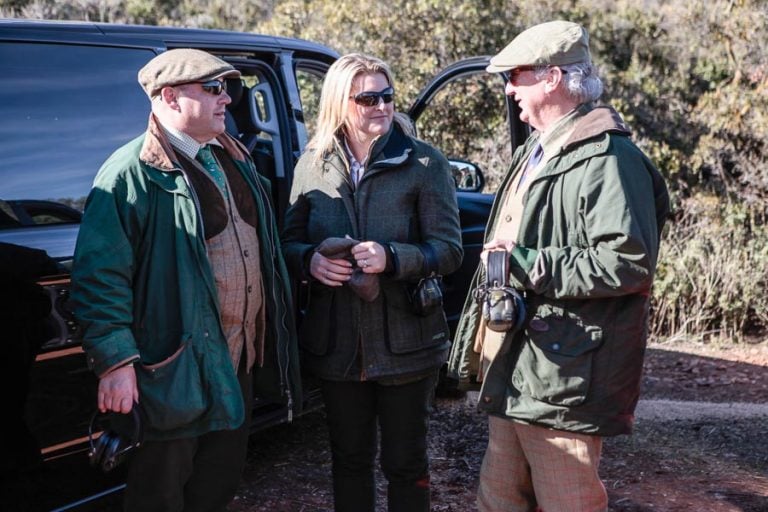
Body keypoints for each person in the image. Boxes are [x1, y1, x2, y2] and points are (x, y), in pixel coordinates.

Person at [447, 20, 671, 512]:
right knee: (499, 499)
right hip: (519, 365)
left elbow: (627, 263)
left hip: (564, 378)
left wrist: (525, 263)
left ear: (551, 78)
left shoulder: (610, 159)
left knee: (568, 501)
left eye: (516, 76)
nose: (509, 88)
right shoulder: (538, 148)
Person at [70, 48, 300, 512]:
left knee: (216, 486)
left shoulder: (231, 158)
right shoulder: (128, 174)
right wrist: (115, 363)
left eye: (227, 90)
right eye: (213, 89)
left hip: (235, 362)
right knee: (160, 494)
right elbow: (99, 279)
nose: (227, 101)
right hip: (172, 370)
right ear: (170, 97)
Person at [281, 53, 463, 512]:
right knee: (349, 460)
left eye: (387, 96)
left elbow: (449, 250)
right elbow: (288, 242)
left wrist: (392, 257)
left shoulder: (425, 164)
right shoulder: (312, 164)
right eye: (368, 98)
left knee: (406, 464)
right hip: (338, 344)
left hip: (407, 343)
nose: (382, 106)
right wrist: (311, 263)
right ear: (341, 102)